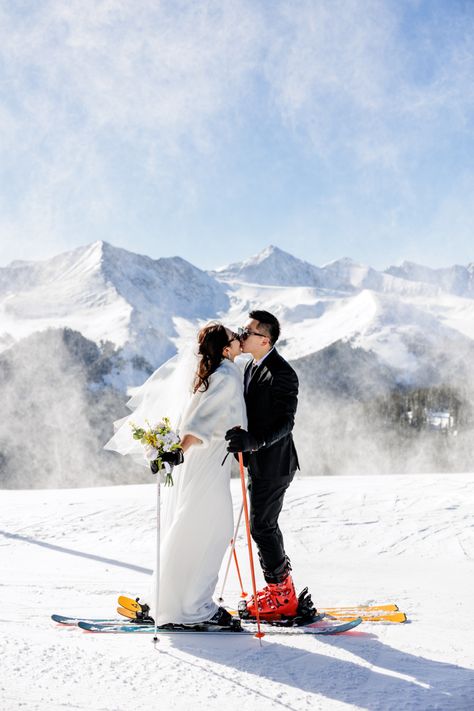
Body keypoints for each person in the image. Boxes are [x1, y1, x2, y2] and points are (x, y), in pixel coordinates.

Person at [107, 323, 245, 628]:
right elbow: (198, 422)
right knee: (212, 530)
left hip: (207, 462)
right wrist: (178, 451)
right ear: (226, 349)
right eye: (236, 339)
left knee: (195, 526)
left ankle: (173, 601)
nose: (240, 342)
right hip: (208, 462)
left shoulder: (213, 374)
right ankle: (195, 608)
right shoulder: (225, 376)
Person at [225, 310, 301, 620]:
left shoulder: (282, 373)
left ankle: (282, 595)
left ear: (264, 339)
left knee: (262, 526)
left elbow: (286, 423)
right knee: (262, 525)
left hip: (275, 463)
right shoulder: (250, 367)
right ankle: (279, 588)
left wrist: (254, 441)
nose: (241, 335)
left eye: (247, 331)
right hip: (259, 462)